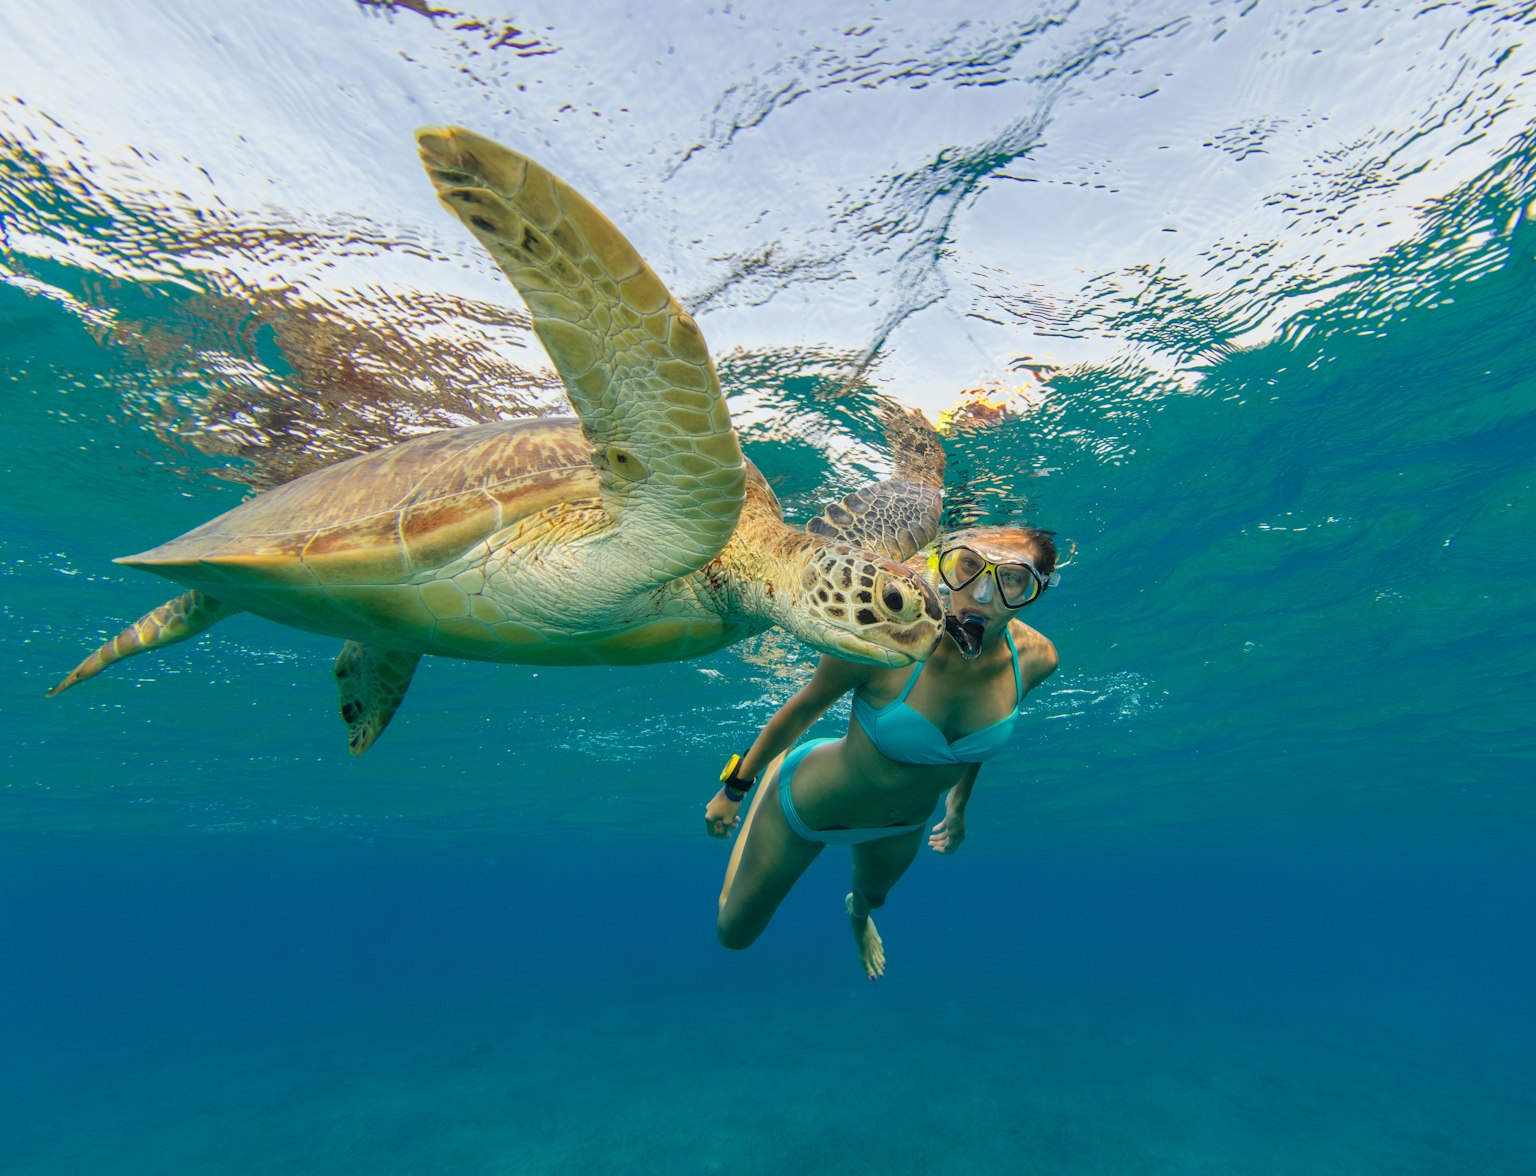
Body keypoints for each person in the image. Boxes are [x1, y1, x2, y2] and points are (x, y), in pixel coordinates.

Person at [704, 526, 1061, 978]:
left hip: (902, 827)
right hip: (807, 806)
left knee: (872, 900)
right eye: (969, 566)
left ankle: (858, 918)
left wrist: (958, 805)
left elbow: (976, 742)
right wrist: (734, 790)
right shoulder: (886, 632)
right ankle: (778, 770)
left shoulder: (1036, 659)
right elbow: (802, 709)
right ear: (947, 566)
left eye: (1012, 579)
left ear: (1035, 591)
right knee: (733, 934)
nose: (982, 593)